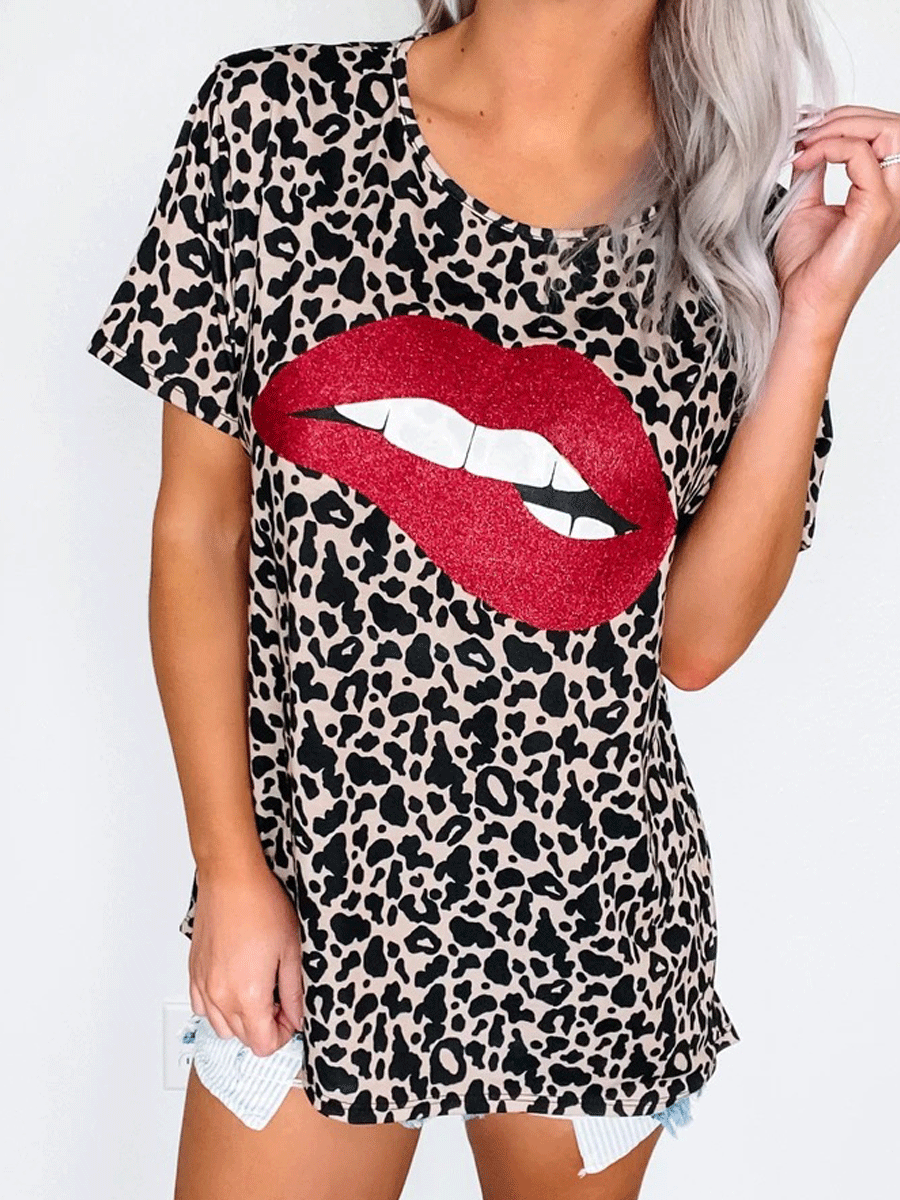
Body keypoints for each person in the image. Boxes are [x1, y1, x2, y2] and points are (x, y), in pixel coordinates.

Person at [86, 1, 900, 1197]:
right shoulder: (273, 122)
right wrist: (232, 872)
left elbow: (692, 643)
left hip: (592, 923)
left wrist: (813, 318)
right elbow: (201, 531)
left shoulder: (734, 215)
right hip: (317, 902)